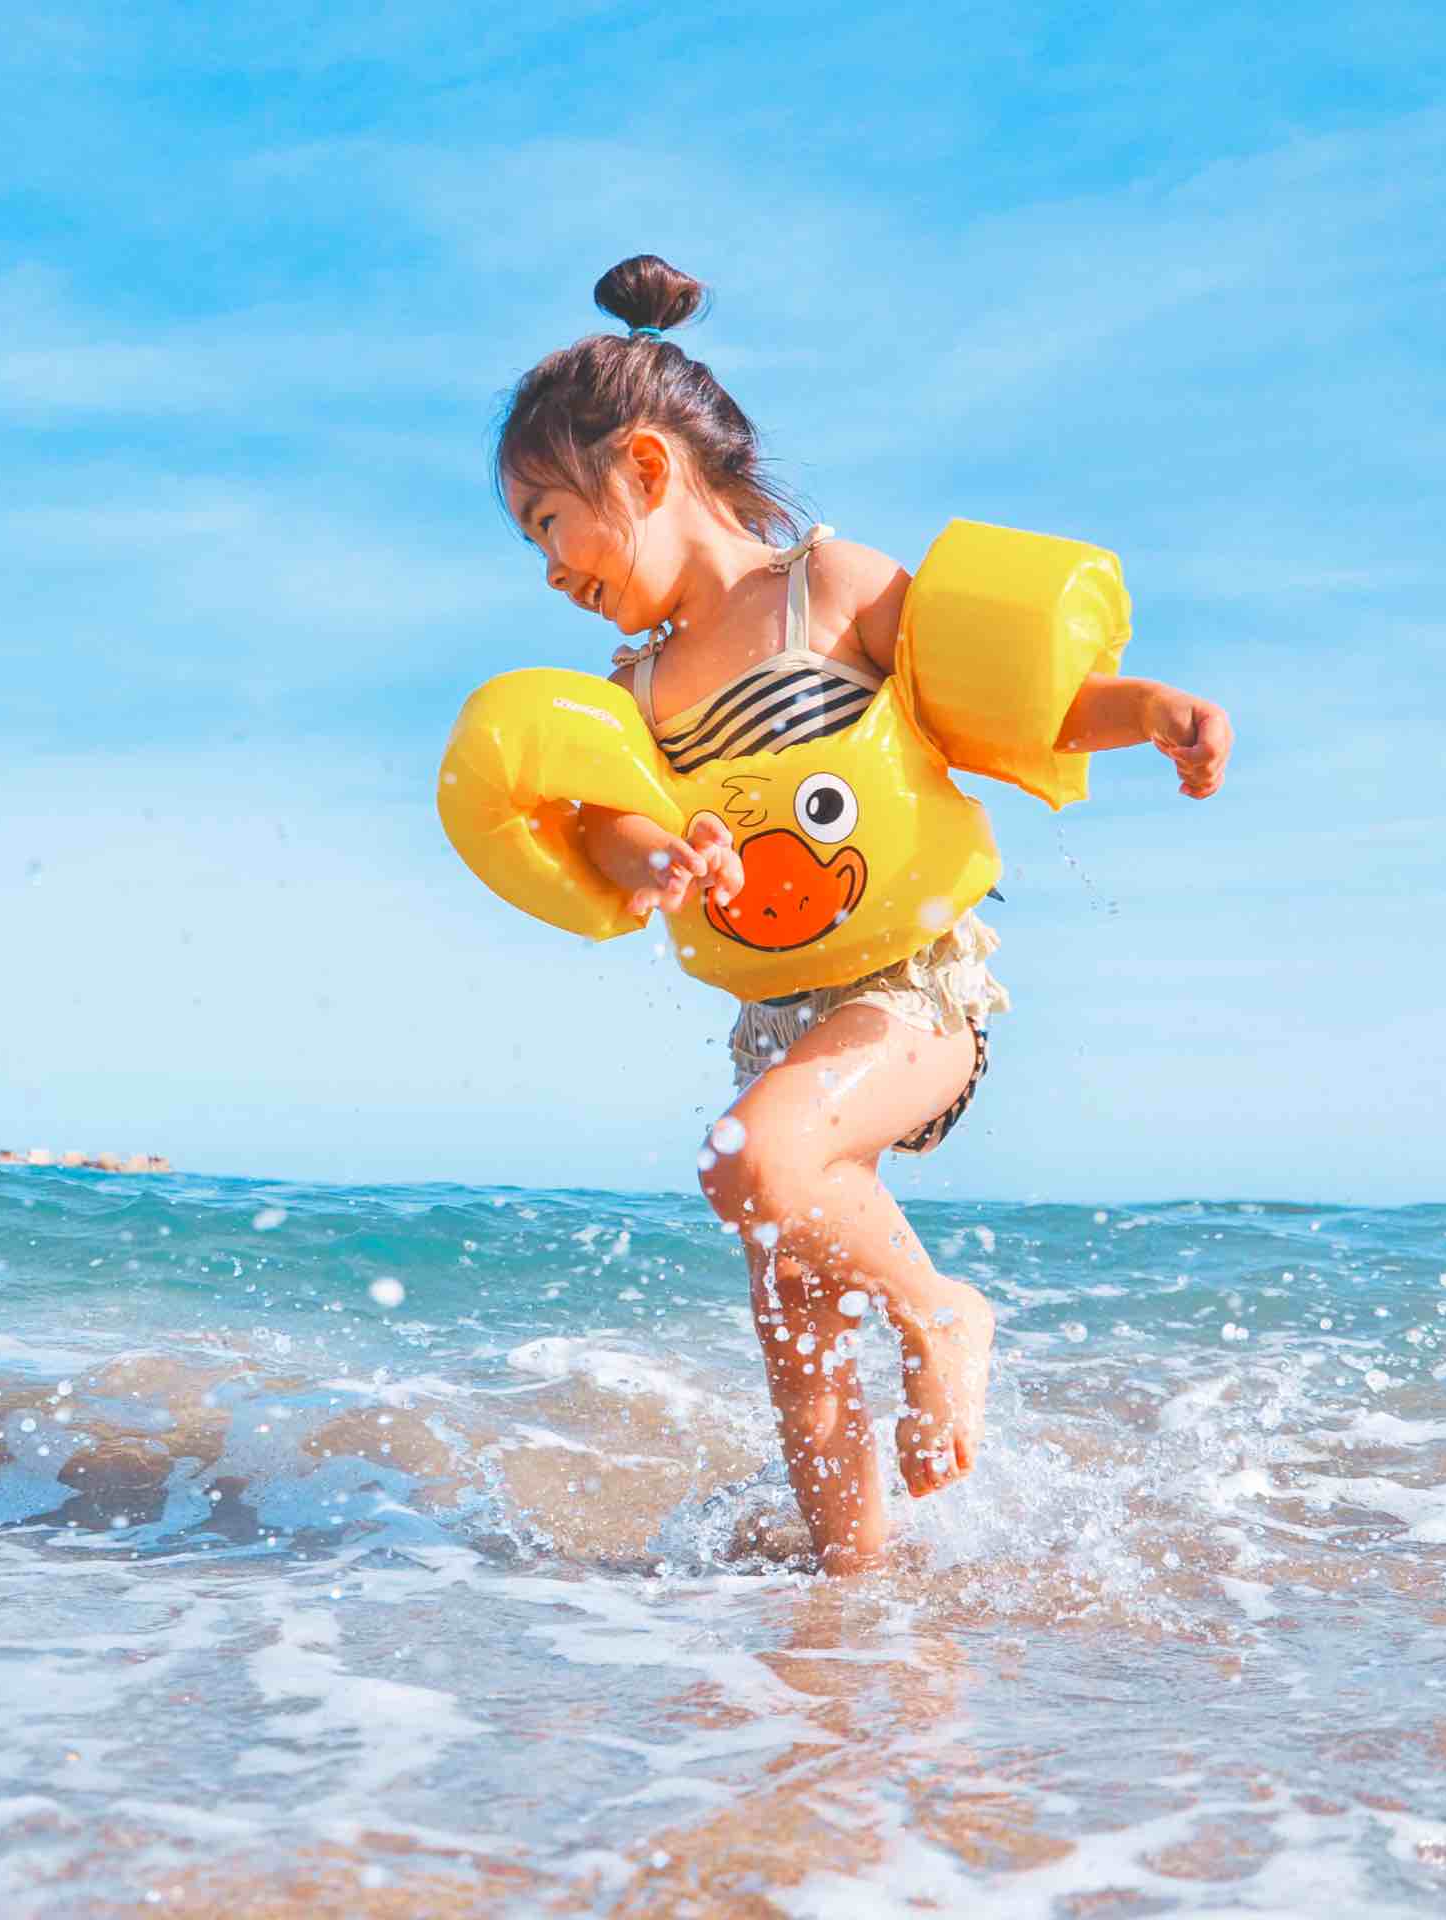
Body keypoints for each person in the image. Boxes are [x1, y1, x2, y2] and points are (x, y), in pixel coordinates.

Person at [493, 254, 1233, 1571]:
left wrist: (1149, 711)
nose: (548, 568)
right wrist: (661, 854)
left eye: (550, 521)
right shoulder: (634, 691)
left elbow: (1011, 703)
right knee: (792, 1315)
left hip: (914, 995)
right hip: (777, 1023)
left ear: (647, 472)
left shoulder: (826, 592)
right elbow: (608, 824)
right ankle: (850, 1595)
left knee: (748, 1162)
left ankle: (944, 1316)